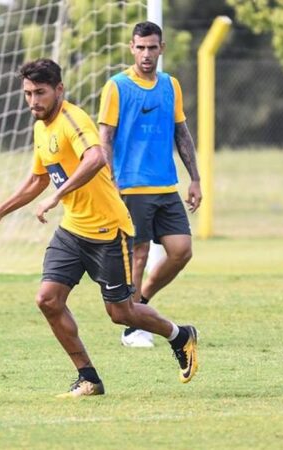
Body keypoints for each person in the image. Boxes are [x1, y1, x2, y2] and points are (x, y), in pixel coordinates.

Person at [0, 59, 199, 397]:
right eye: (28, 94)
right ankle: (88, 378)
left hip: (109, 231)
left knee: (121, 313)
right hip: (72, 230)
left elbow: (96, 158)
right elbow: (38, 179)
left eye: (40, 93)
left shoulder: (73, 119)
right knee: (48, 300)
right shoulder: (41, 128)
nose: (33, 101)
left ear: (59, 90)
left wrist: (57, 196)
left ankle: (179, 335)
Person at [98, 21, 201, 348]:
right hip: (130, 187)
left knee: (181, 251)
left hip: (166, 186)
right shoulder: (117, 86)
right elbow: (105, 137)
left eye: (152, 47)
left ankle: (138, 305)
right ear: (132, 48)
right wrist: (110, 180)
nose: (146, 54)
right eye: (140, 47)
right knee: (139, 255)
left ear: (161, 49)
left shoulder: (170, 85)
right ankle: (133, 328)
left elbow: (181, 133)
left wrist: (195, 179)